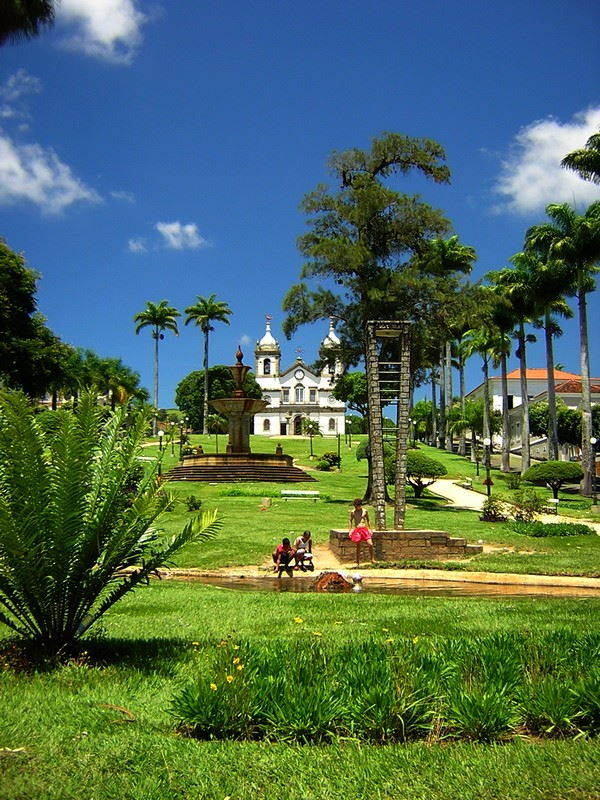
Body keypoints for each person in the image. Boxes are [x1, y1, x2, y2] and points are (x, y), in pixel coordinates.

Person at [348, 498, 374, 566]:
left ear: (360, 505)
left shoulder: (365, 511)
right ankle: (357, 562)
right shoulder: (353, 512)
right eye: (355, 506)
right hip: (357, 530)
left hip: (364, 529)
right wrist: (350, 530)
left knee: (370, 544)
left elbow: (368, 520)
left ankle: (372, 559)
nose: (355, 507)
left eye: (356, 506)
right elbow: (350, 520)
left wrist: (370, 529)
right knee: (358, 546)